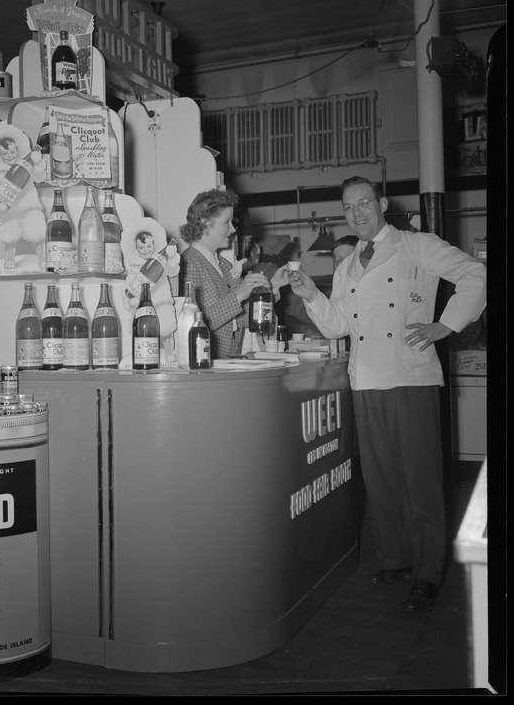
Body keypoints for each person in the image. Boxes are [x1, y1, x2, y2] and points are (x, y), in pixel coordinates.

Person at [287, 176, 486, 613]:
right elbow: (339, 324)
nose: (357, 213)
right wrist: (311, 296)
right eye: (348, 207)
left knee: (421, 480)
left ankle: (428, 572)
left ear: (382, 203)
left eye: (363, 203)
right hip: (367, 378)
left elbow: (476, 273)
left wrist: (446, 326)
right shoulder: (346, 265)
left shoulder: (419, 245)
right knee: (380, 479)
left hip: (409, 376)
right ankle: (395, 557)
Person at [179, 189, 288, 359]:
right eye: (226, 222)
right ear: (205, 223)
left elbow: (245, 320)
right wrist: (238, 295)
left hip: (227, 364)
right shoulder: (188, 263)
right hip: (204, 365)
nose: (232, 229)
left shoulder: (224, 265)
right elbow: (191, 327)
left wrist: (272, 287)